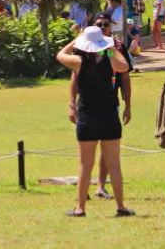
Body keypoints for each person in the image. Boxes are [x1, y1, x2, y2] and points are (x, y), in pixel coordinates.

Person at [57, 26, 134, 218]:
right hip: (108, 115)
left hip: (87, 116)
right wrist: (109, 47)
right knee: (114, 164)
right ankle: (121, 206)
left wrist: (76, 40)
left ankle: (80, 208)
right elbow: (125, 65)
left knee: (85, 165)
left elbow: (60, 55)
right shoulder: (111, 60)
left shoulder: (78, 62)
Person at [80, 15, 133, 201]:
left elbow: (125, 76)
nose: (103, 27)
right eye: (99, 25)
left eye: (105, 25)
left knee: (106, 148)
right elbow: (74, 75)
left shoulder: (115, 48)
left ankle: (101, 187)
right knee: (87, 150)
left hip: (111, 103)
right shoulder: (84, 48)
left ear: (110, 27)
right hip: (87, 105)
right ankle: (83, 189)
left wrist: (128, 104)